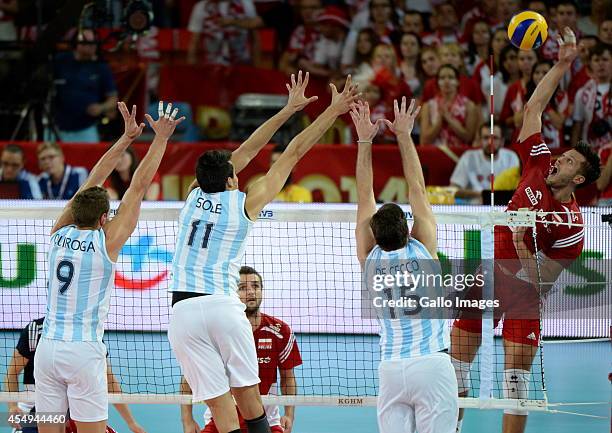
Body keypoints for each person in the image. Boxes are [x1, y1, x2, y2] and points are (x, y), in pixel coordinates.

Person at [167, 71, 357, 433]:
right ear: (231, 179)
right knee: (251, 404)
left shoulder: (191, 195)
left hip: (182, 312)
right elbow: (293, 151)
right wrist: (328, 112)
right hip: (223, 305)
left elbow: (244, 153)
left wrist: (287, 109)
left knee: (222, 412)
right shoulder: (244, 204)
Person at [450, 28, 602, 433]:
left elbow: (541, 281)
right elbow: (533, 108)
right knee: (455, 375)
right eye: (562, 156)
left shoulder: (572, 227)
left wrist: (520, 247)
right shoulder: (537, 161)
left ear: (579, 179)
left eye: (569, 162)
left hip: (522, 293)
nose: (558, 162)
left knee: (515, 385)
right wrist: (562, 64)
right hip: (483, 277)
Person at [33, 101, 184, 433]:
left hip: (47, 349)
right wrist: (160, 138)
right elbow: (138, 187)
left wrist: (126, 137)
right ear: (104, 218)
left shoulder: (58, 233)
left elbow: (94, 178)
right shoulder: (106, 242)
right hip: (83, 351)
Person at [352, 97, 458, 433]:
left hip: (391, 369)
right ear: (407, 226)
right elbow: (418, 188)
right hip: (432, 364)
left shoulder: (370, 259)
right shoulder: (423, 251)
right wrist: (403, 135)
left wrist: (365, 140)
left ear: (374, 232)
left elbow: (363, 193)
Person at [180, 266, 302, 433]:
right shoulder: (214, 330)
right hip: (219, 420)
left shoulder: (280, 331)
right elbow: (190, 376)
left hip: (267, 421)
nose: (251, 292)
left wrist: (289, 414)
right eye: (243, 288)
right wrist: (187, 420)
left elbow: (288, 378)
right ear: (231, 292)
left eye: (256, 286)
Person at [4, 317, 146, 433]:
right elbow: (12, 372)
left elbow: (109, 380)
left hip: (74, 409)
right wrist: (12, 406)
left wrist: (131, 422)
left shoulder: (90, 335)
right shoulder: (35, 330)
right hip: (32, 411)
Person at [53, 28, 118, 143]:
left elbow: (113, 99)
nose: (92, 47)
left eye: (94, 43)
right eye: (87, 43)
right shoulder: (60, 62)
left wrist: (101, 107)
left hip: (87, 127)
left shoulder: (100, 67)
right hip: (58, 126)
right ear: (77, 44)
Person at [450, 123, 519, 203]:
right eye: (486, 138)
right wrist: (483, 195)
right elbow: (453, 189)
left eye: (495, 138)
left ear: (502, 141)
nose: (490, 142)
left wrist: (488, 196)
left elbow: (518, 190)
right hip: (473, 208)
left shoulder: (511, 157)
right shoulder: (468, 157)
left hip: (503, 207)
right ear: (480, 140)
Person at [186, 0, 263, 65]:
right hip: (211, 67)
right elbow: (194, 42)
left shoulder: (246, 4)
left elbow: (255, 39)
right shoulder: (201, 7)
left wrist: (257, 70)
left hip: (241, 65)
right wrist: (192, 70)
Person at [420, 64, 481, 146]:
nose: (446, 81)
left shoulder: (469, 105)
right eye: (442, 78)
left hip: (460, 154)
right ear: (437, 82)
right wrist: (440, 121)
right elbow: (425, 139)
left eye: (451, 77)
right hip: (435, 153)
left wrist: (449, 119)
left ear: (458, 81)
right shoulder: (428, 106)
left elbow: (469, 137)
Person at [571, 43, 611, 151]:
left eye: (605, 59)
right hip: (592, 152)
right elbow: (577, 127)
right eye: (596, 60)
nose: (601, 64)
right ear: (590, 64)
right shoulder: (583, 93)